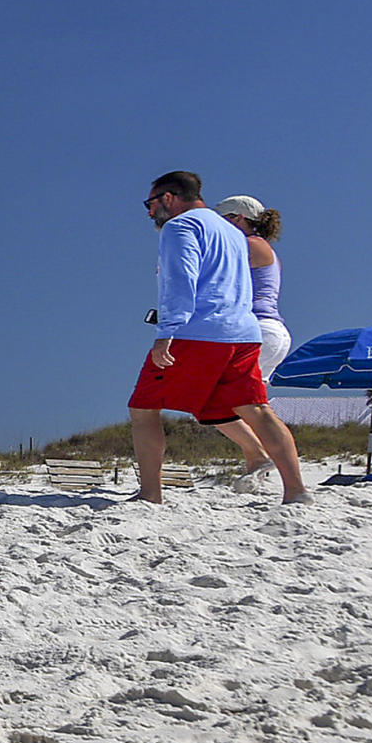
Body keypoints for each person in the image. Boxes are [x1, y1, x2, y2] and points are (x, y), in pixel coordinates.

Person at [130, 172, 307, 504]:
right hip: (245, 332)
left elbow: (181, 281)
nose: (150, 212)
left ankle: (151, 494)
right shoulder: (234, 234)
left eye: (150, 204)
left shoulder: (180, 227)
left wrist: (167, 331)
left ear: (169, 198)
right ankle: (297, 491)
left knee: (143, 409)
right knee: (257, 410)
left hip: (199, 332)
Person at [203, 194, 291, 475]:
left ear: (239, 218)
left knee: (210, 400)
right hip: (267, 332)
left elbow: (213, 273)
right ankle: (263, 459)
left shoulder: (250, 245)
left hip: (257, 331)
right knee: (249, 406)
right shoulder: (258, 247)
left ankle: (260, 456)